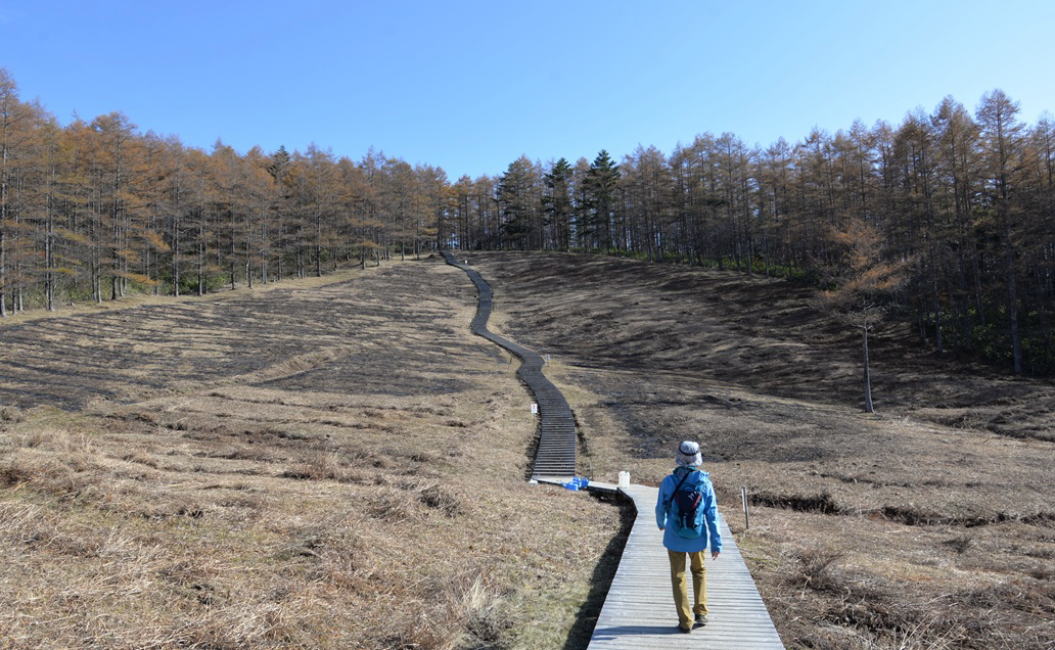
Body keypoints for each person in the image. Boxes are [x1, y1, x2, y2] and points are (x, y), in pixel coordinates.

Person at [655, 440, 722, 633]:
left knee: (678, 577)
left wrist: (662, 524)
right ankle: (701, 612)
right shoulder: (704, 482)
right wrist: (716, 543)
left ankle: (685, 621)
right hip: (697, 538)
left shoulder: (669, 481)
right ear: (697, 458)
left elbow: (661, 507)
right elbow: (712, 515)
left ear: (679, 457)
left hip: (674, 538)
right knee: (699, 572)